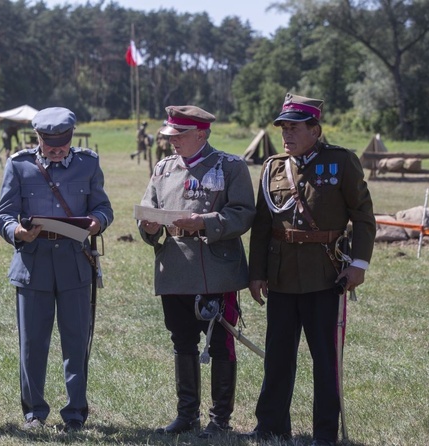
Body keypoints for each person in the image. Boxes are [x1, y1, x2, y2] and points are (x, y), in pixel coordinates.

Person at [243, 93, 376, 446]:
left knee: (325, 360)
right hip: (282, 275)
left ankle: (324, 433)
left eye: (294, 127)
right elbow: (261, 224)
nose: (286, 134)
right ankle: (271, 425)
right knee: (278, 357)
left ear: (315, 129)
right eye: (283, 128)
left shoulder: (341, 162)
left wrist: (359, 265)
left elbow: (363, 215)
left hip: (325, 274)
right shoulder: (272, 166)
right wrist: (256, 273)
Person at [138, 105, 256, 438]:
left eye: (178, 136)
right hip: (174, 267)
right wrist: (147, 226)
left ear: (200, 134)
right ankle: (186, 415)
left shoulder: (230, 166)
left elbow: (243, 214)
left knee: (221, 344)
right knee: (182, 342)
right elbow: (148, 208)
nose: (171, 142)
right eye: (169, 136)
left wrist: (203, 222)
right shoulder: (162, 169)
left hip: (216, 271)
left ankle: (220, 420)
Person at [0, 107, 114, 433]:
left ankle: (75, 413)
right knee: (33, 344)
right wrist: (16, 232)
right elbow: (3, 215)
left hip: (75, 262)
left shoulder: (88, 163)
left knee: (76, 342)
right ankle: (34, 413)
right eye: (51, 145)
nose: (58, 150)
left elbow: (103, 207)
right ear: (38, 138)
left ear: (71, 137)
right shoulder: (19, 165)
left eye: (64, 143)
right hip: (32, 262)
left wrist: (97, 222)